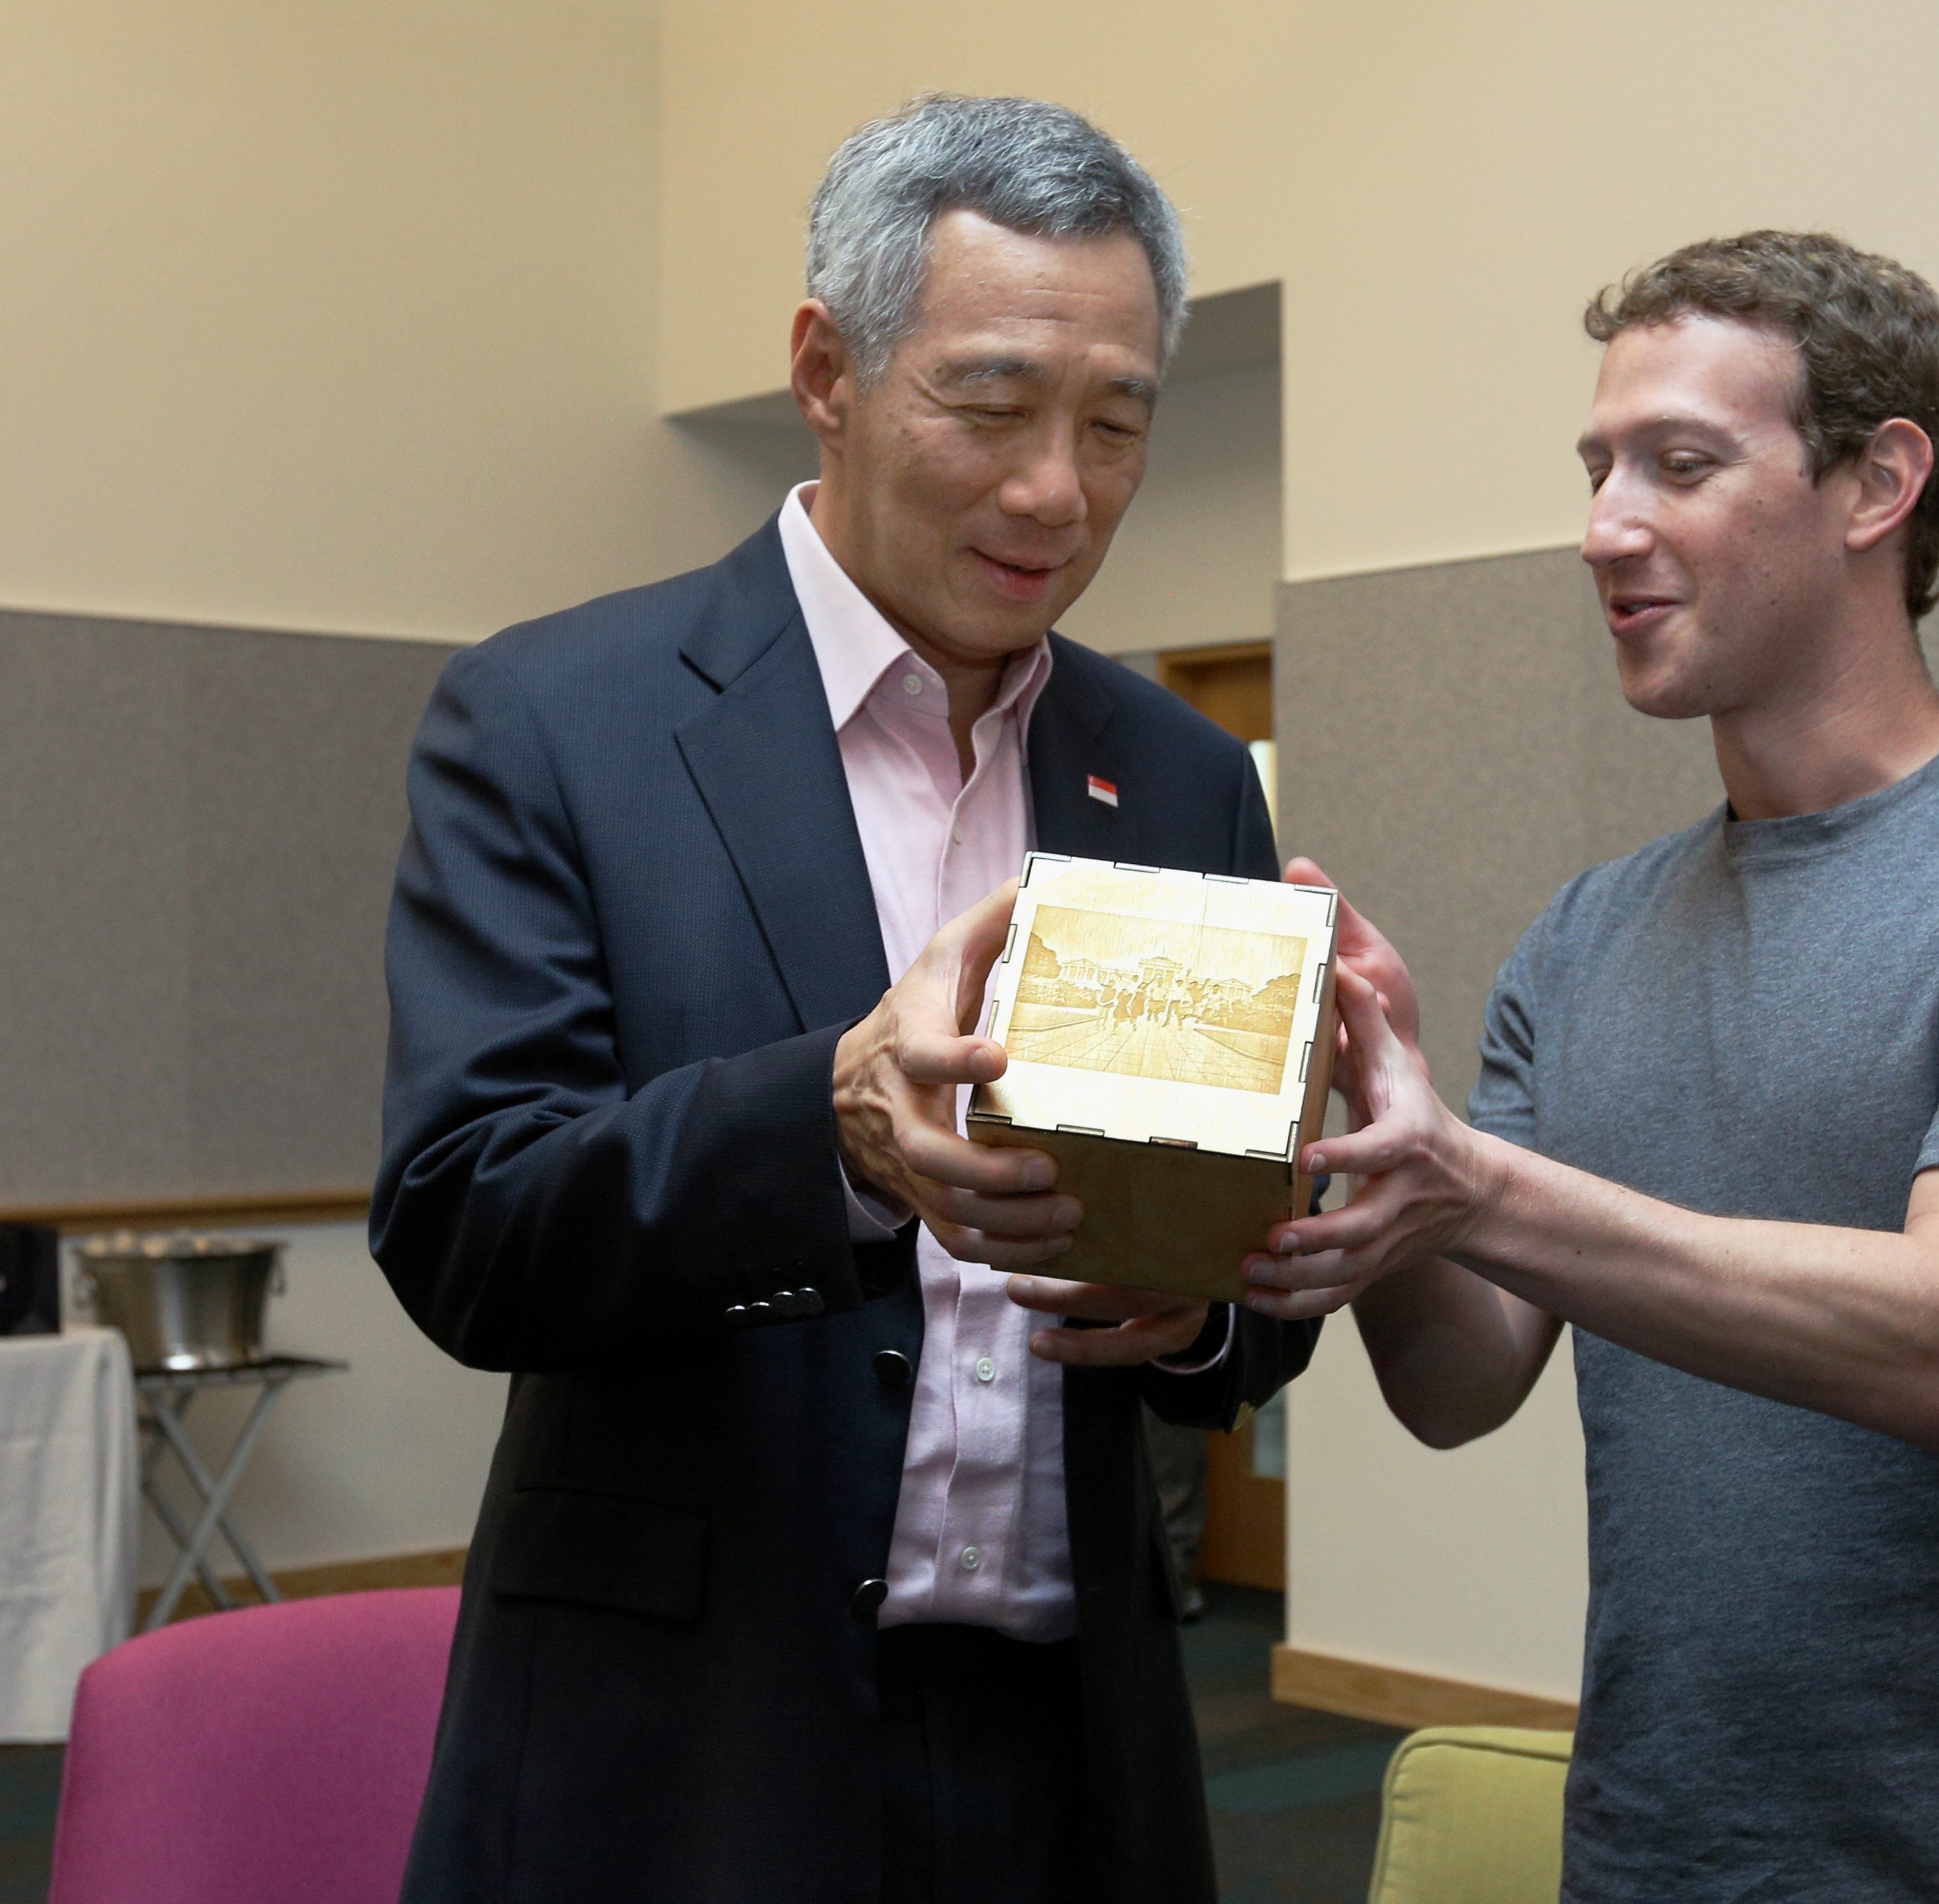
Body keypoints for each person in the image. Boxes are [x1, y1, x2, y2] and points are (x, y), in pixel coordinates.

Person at [375, 96, 1314, 1904]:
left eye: (1116, 425)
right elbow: (468, 1224)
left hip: (1081, 1742)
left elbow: (1241, 1324)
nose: (1060, 488)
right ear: (827, 367)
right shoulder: (558, 722)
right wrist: (830, 1121)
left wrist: (1220, 1292)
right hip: (685, 1744)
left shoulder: (1183, 776)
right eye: (991, 404)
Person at [1250, 232, 1939, 1901]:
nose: (1605, 528)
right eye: (1597, 469)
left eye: (1681, 465)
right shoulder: (1587, 937)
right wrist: (1367, 1132)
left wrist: (1473, 1182)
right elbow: (1458, 1388)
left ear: (1877, 484)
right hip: (1658, 1855)